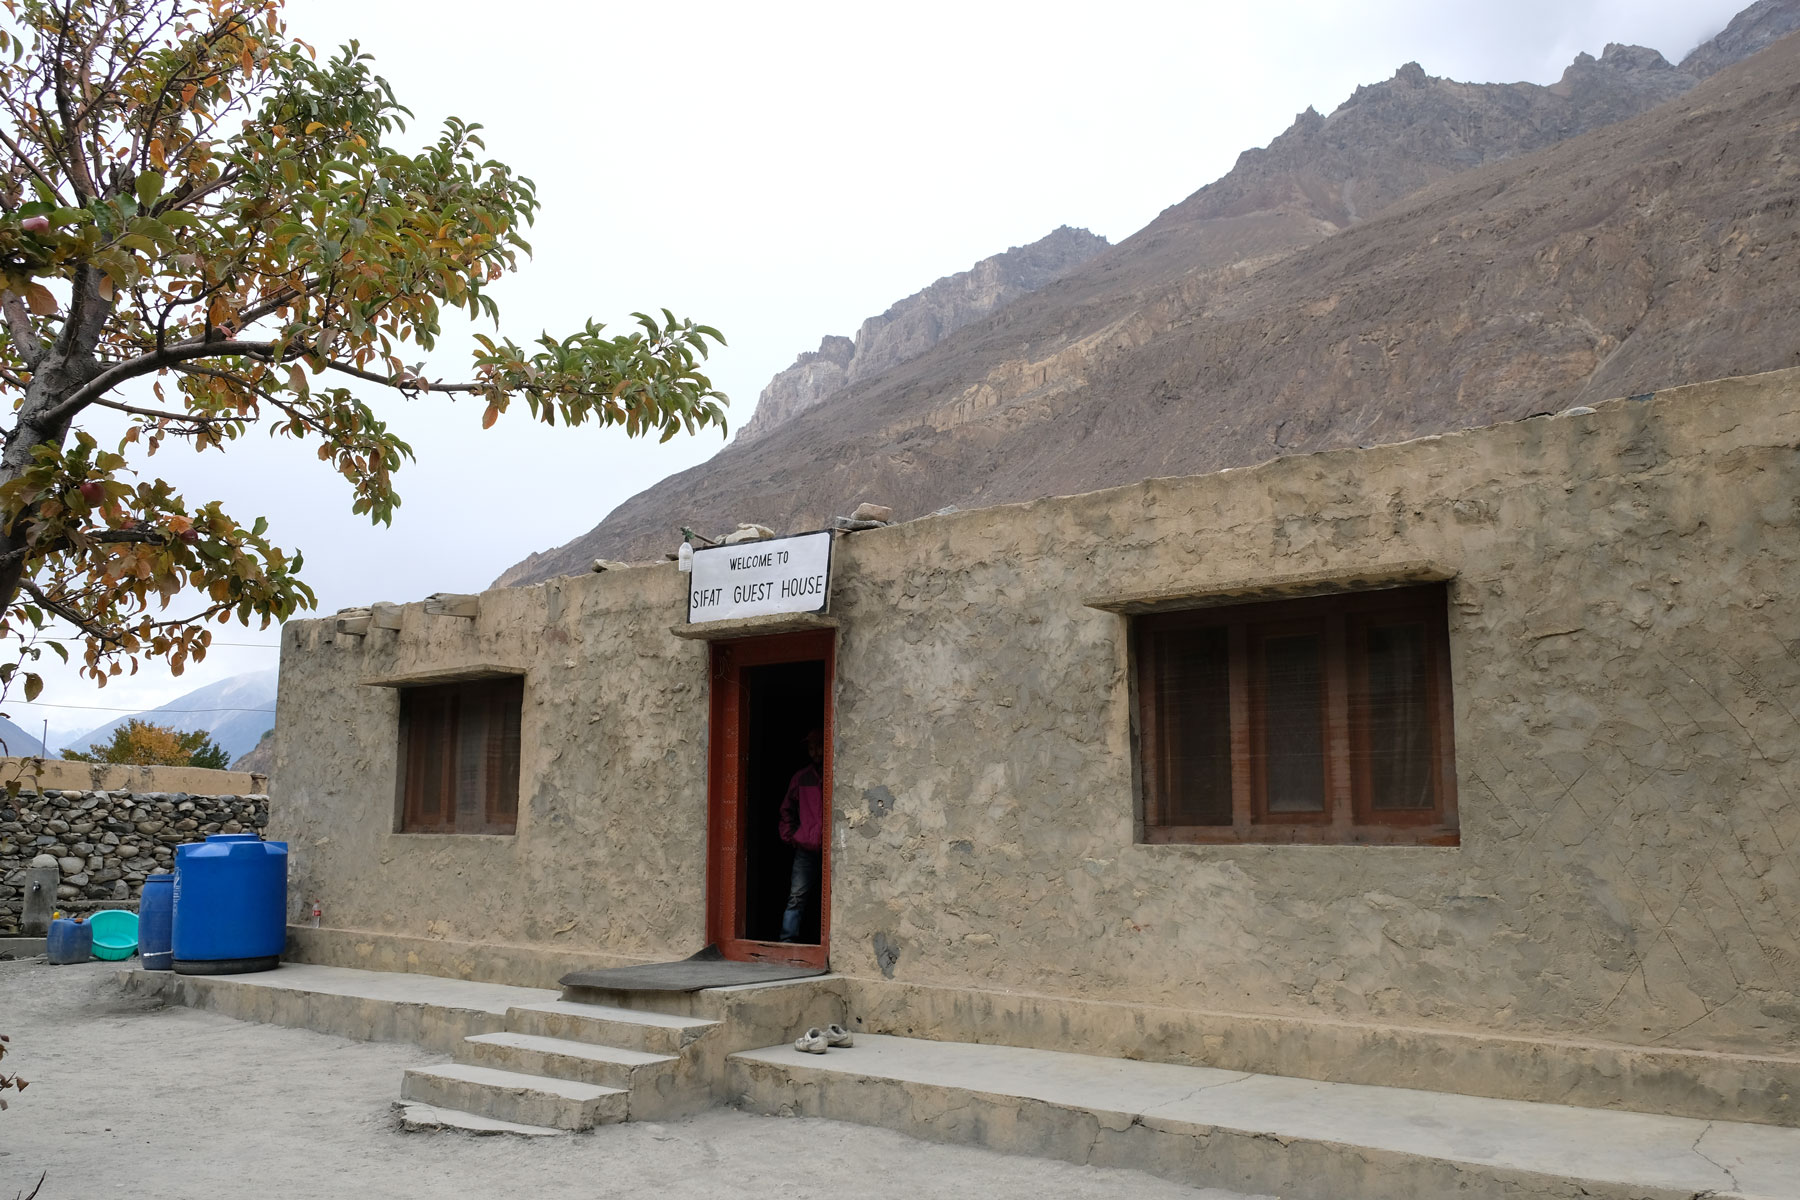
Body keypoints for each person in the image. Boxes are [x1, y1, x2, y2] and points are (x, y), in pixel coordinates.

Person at [777, 728, 825, 942]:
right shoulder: (802, 777)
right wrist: (792, 835)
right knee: (796, 897)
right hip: (805, 849)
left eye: (819, 747)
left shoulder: (836, 775)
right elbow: (786, 809)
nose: (815, 752)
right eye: (811, 748)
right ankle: (787, 943)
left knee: (834, 900)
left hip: (832, 850)